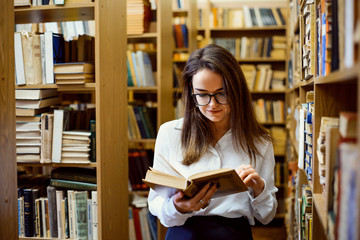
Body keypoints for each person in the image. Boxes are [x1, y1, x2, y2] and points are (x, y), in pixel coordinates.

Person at [147, 44, 278, 240]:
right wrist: (177, 207)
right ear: (191, 94)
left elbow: (267, 216)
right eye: (202, 94)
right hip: (184, 232)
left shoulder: (260, 141)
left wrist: (259, 190)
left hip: (234, 234)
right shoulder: (169, 133)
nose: (212, 104)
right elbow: (155, 202)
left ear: (236, 91)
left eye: (221, 93)